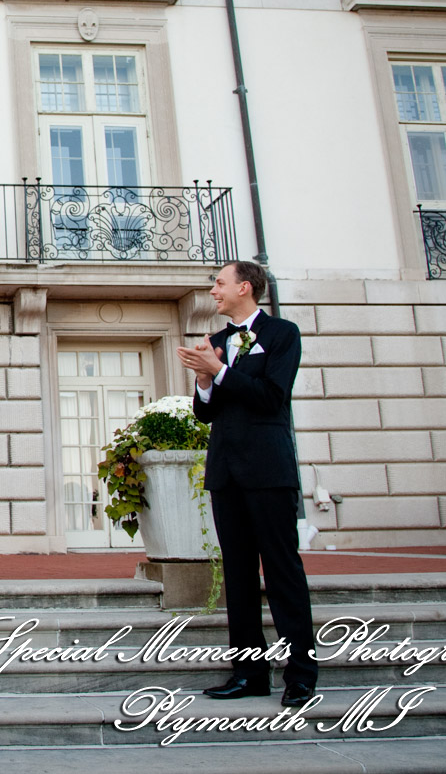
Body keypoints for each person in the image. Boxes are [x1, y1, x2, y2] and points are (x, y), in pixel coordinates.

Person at [177, 260, 317, 710]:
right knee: (237, 576)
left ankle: (300, 673)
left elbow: (272, 397)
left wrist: (218, 372)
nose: (213, 290)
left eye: (219, 283)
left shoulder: (283, 334)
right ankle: (249, 673)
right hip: (226, 472)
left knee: (281, 571)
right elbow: (207, 413)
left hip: (268, 470)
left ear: (244, 287)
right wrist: (203, 380)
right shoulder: (215, 343)